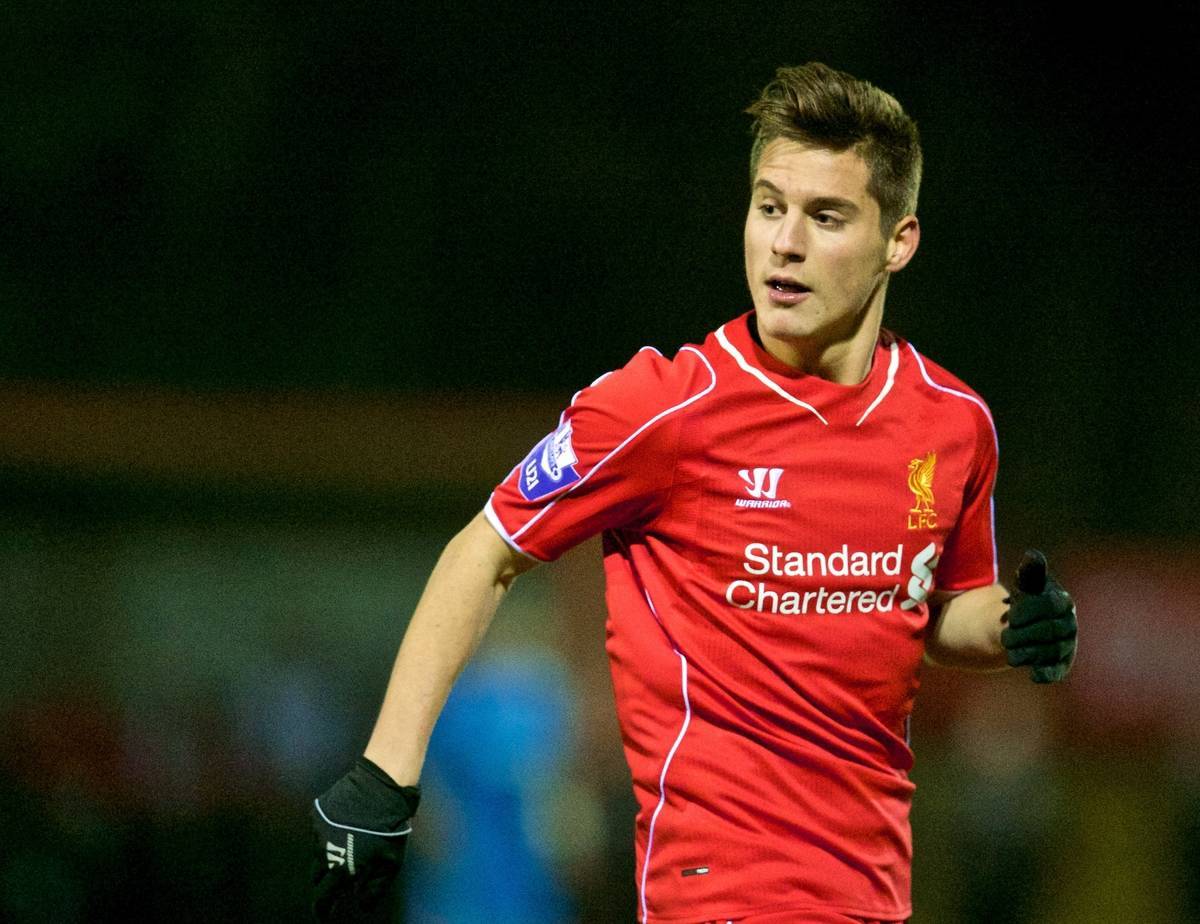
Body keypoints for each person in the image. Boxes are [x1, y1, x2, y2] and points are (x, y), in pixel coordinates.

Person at [310, 62, 1078, 923]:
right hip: (714, 899)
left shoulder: (952, 422)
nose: (784, 242)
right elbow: (483, 551)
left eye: (825, 217)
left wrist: (1011, 627)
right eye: (768, 206)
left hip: (873, 897)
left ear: (899, 241)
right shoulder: (664, 409)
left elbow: (935, 610)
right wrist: (385, 777)